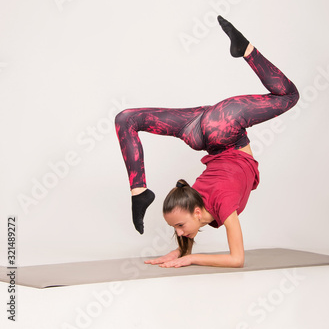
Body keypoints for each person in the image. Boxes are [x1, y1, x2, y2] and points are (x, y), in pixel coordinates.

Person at [115, 16, 299, 268]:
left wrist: (186, 256)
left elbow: (237, 259)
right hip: (208, 127)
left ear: (197, 210)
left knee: (126, 119)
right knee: (127, 118)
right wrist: (179, 252)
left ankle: (139, 190)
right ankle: (139, 191)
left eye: (178, 227)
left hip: (213, 129)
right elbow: (227, 249)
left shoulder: (212, 203)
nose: (179, 232)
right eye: (177, 228)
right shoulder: (197, 199)